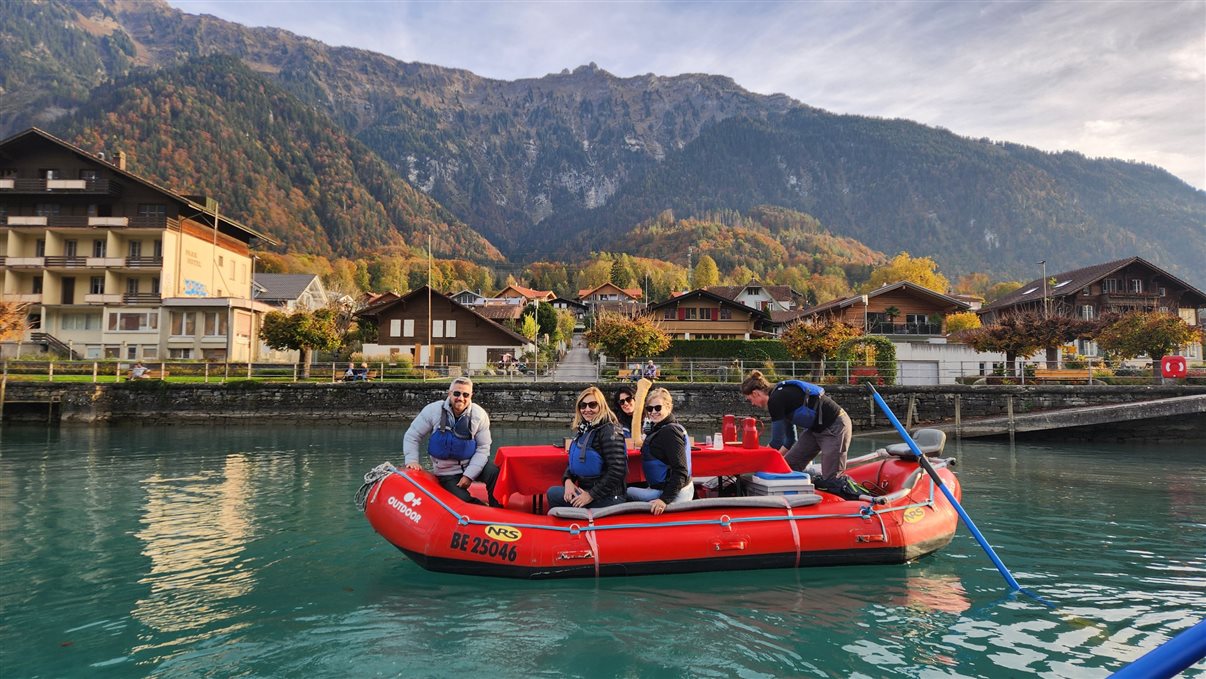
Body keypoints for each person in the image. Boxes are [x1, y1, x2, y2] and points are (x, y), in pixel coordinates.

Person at [740, 369, 868, 500]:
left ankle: (856, 500)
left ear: (756, 393)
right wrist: (774, 465)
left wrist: (758, 465)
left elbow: (776, 442)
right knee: (789, 467)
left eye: (750, 400)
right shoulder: (778, 398)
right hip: (815, 429)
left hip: (835, 425)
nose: (753, 404)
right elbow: (790, 440)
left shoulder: (775, 400)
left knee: (831, 478)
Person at [404, 377, 501, 507]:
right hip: (447, 472)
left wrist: (469, 475)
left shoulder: (479, 415)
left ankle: (498, 510)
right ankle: (483, 511)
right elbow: (412, 435)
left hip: (471, 463)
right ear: (449, 393)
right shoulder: (433, 410)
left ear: (471, 395)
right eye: (456, 393)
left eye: (465, 394)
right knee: (463, 502)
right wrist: (412, 460)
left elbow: (483, 448)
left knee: (494, 473)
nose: (460, 398)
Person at [546, 386, 628, 510]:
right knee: (554, 492)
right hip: (587, 490)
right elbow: (575, 463)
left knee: (553, 494)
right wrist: (568, 481)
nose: (587, 409)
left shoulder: (609, 431)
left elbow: (618, 470)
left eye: (592, 405)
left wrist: (590, 495)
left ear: (601, 406)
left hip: (609, 496)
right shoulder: (585, 429)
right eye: (583, 406)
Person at [626, 388, 693, 514]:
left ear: (668, 407)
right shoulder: (666, 427)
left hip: (673, 494)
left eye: (657, 408)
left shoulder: (669, 432)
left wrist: (664, 500)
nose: (653, 412)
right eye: (649, 409)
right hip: (676, 488)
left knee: (625, 492)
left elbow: (681, 470)